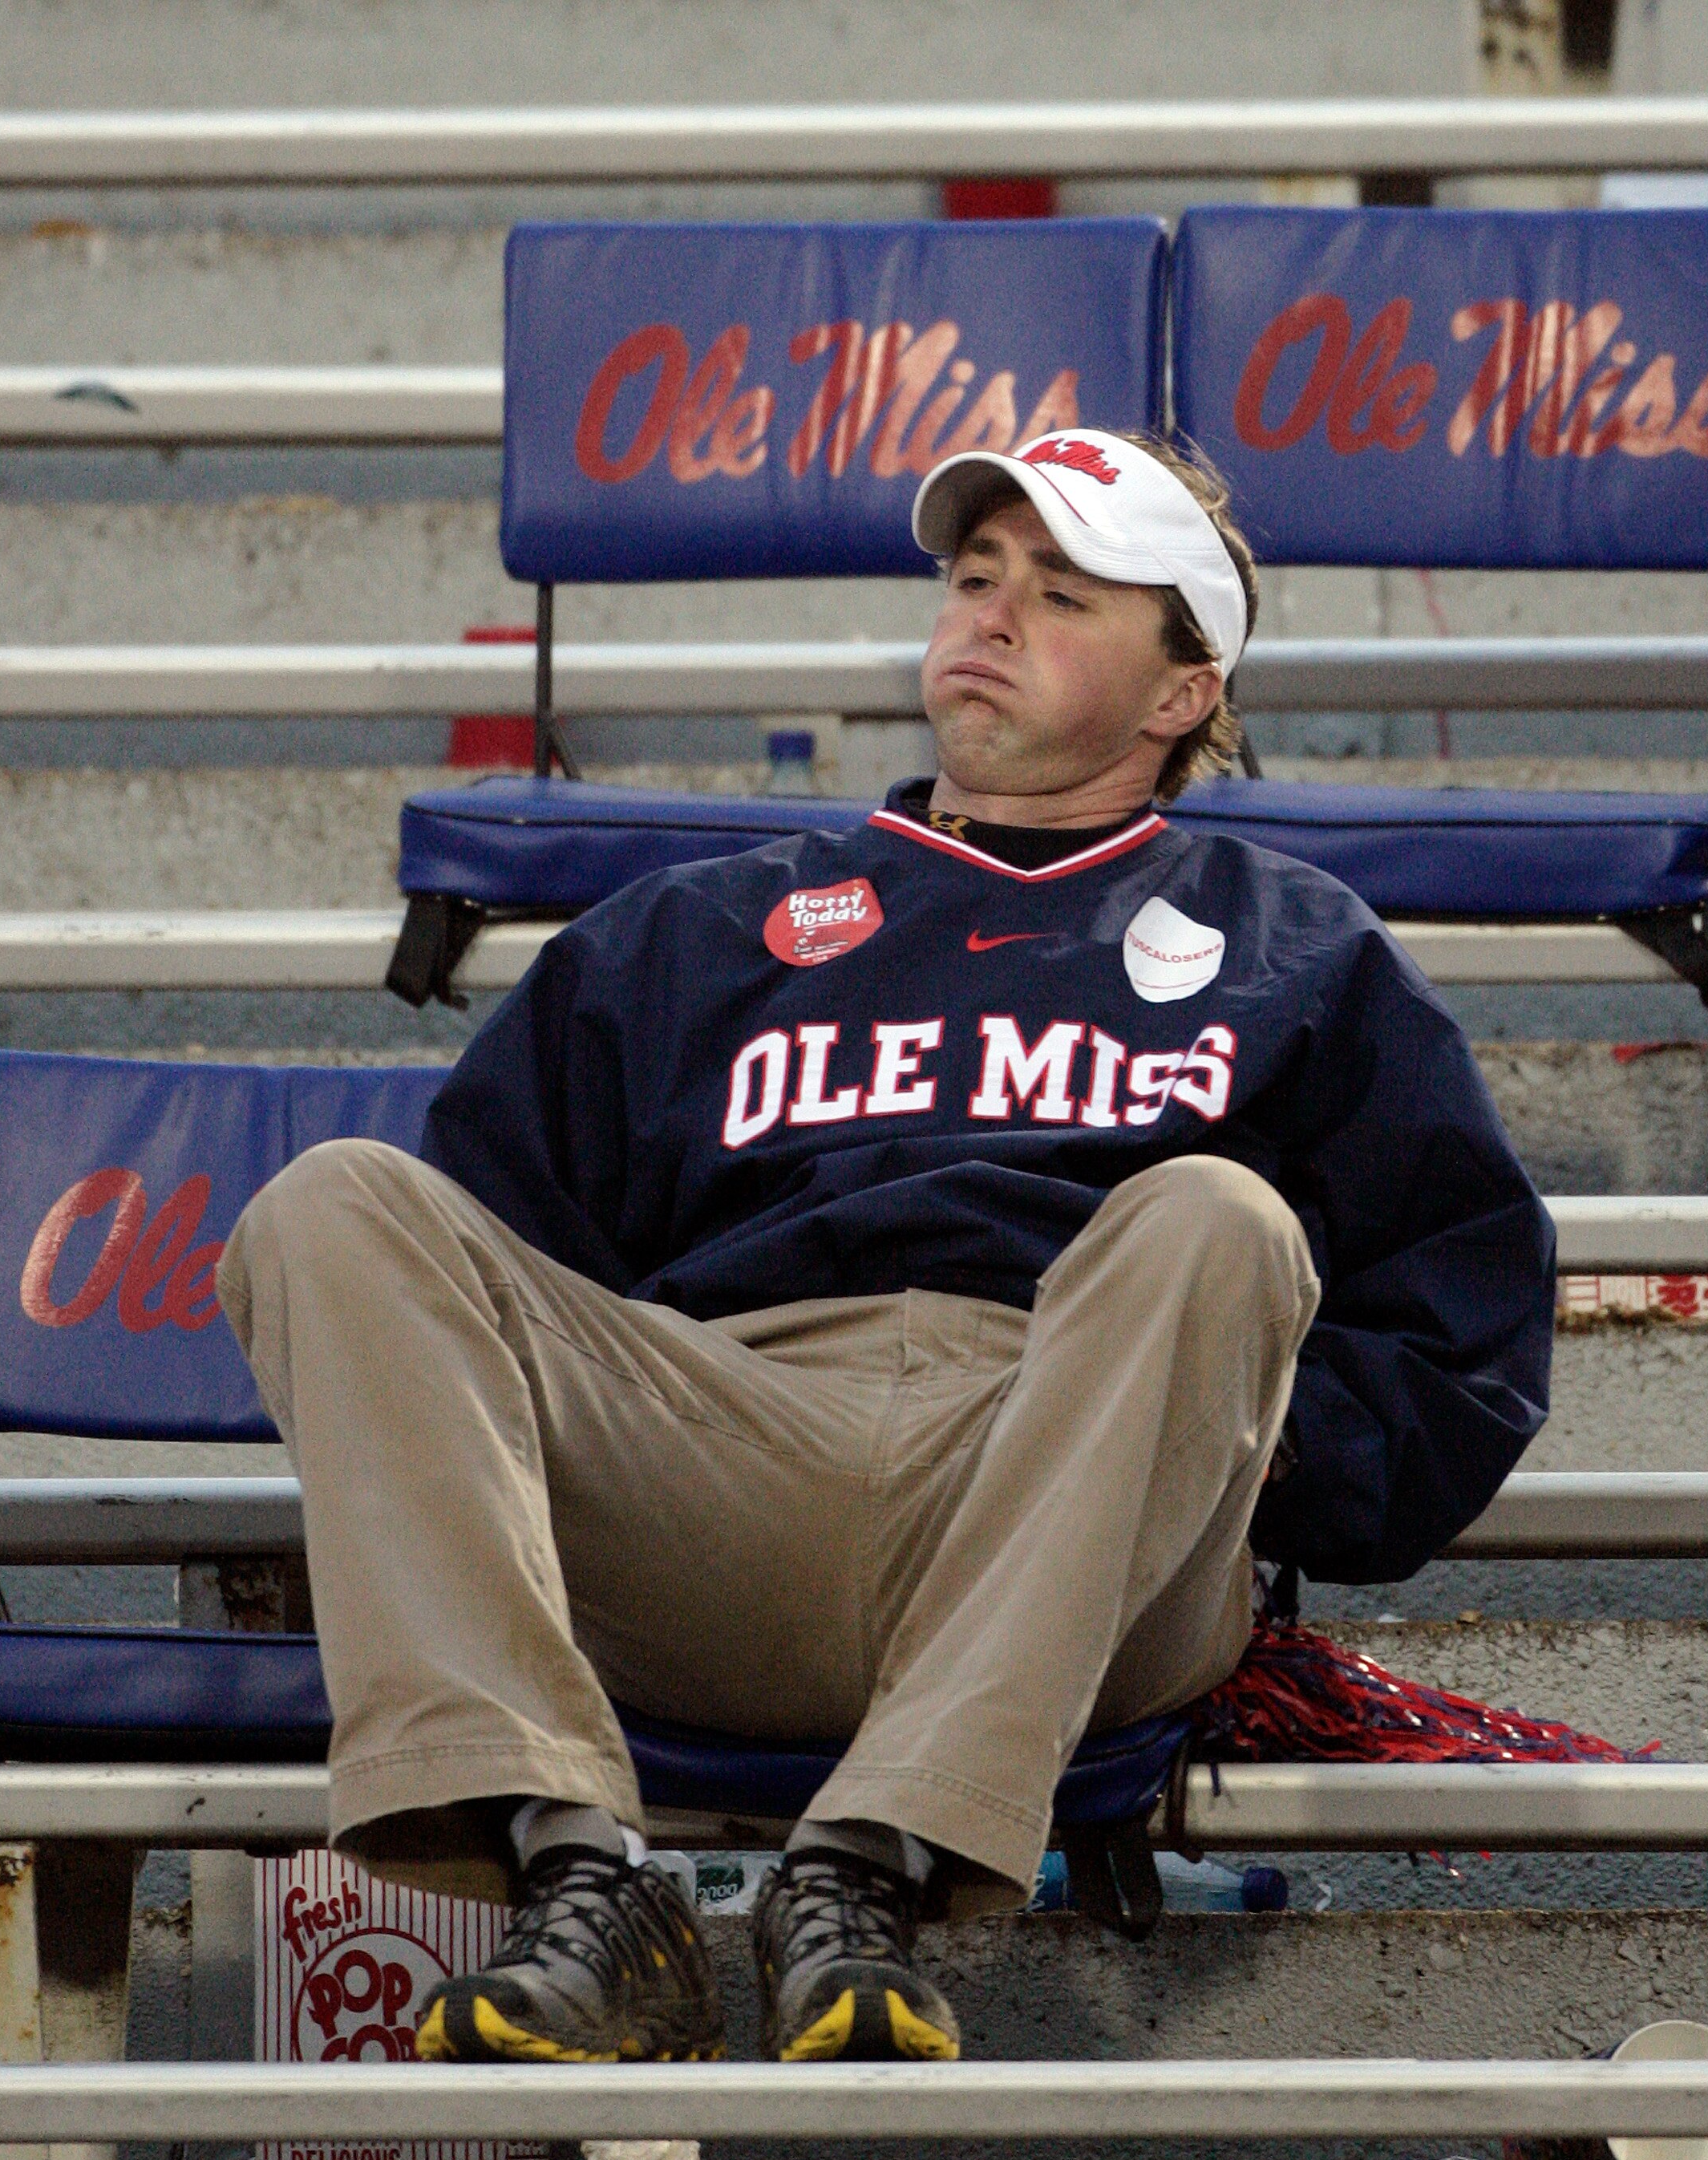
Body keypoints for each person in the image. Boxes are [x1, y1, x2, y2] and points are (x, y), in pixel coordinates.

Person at [218, 427, 1553, 2071]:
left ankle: (870, 1869)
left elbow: (1454, 1341)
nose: (987, 619)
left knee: (1213, 1217)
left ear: (1177, 696)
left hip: (1073, 1494)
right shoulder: (695, 933)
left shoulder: (1294, 950)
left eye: (1059, 596)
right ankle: (578, 1878)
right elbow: (485, 1283)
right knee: (335, 1202)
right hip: (718, 1454)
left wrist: (1219, 1458)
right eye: (973, 580)